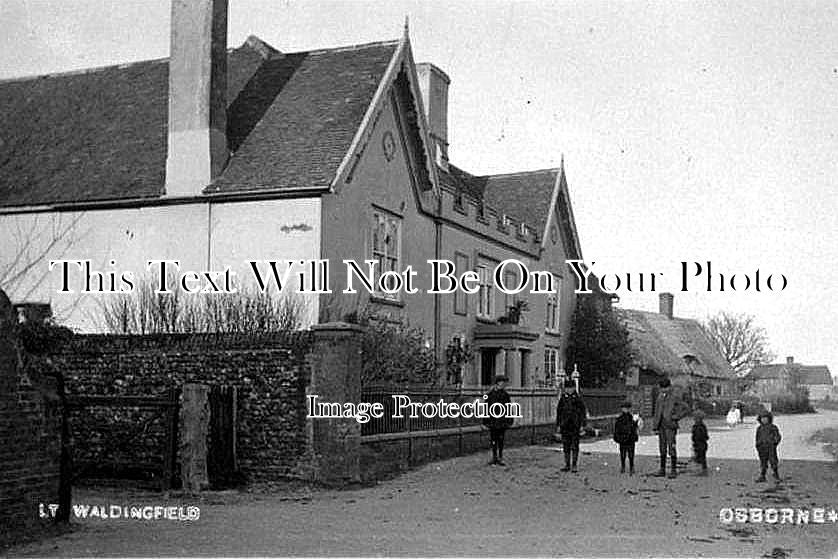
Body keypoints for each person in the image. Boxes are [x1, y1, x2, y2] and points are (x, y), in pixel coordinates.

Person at [652, 377, 691, 478]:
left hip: (670, 426)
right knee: (662, 448)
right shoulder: (659, 397)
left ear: (669, 387)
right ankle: (662, 469)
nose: (663, 390)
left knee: (672, 447)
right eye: (662, 388)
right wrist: (655, 426)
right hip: (661, 426)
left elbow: (686, 408)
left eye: (665, 388)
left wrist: (676, 417)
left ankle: (673, 470)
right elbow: (656, 412)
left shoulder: (675, 397)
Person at [556, 379, 587, 473]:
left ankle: (574, 464)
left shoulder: (578, 399)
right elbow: (559, 412)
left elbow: (582, 412)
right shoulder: (563, 399)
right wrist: (558, 425)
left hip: (575, 425)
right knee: (566, 445)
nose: (569, 390)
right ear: (565, 389)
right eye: (567, 388)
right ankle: (567, 464)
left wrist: (582, 425)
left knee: (575, 445)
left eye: (571, 388)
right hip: (565, 425)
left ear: (574, 388)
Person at [483, 374, 513, 466]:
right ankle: (494, 456)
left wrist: (509, 419)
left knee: (501, 438)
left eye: (504, 383)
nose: (504, 384)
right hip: (493, 420)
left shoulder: (505, 395)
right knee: (493, 438)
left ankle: (500, 456)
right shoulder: (490, 395)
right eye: (502, 382)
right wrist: (485, 420)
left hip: (502, 420)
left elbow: (508, 407)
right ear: (497, 383)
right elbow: (486, 407)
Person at [755, 410, 782, 482]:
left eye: (765, 418)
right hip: (762, 447)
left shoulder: (773, 427)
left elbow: (778, 436)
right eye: (762, 418)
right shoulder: (759, 428)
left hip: (771, 447)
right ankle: (762, 475)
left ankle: (776, 474)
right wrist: (758, 445)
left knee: (773, 461)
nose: (764, 420)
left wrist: (774, 443)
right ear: (760, 419)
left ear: (769, 418)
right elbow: (757, 438)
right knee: (763, 462)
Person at [613, 401, 639, 475]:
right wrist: (617, 437)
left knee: (631, 454)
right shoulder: (620, 418)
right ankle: (623, 466)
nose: (626, 410)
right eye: (624, 408)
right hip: (623, 438)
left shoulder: (632, 418)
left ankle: (631, 466)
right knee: (623, 453)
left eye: (627, 408)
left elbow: (635, 428)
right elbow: (617, 428)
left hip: (630, 438)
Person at [691, 409, 709, 475]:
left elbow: (696, 436)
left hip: (699, 444)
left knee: (699, 457)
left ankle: (701, 470)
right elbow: (706, 436)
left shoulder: (697, 427)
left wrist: (695, 440)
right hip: (703, 444)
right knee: (702, 457)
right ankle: (703, 470)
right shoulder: (703, 426)